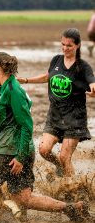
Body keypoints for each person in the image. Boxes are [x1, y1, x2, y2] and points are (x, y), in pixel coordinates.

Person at [0, 52, 90, 223]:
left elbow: (26, 125)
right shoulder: (8, 86)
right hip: (17, 149)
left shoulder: (13, 90)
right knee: (24, 198)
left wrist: (20, 157)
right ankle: (72, 208)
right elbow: (13, 117)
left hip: (9, 150)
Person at [18, 28, 95, 178]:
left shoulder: (83, 66)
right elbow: (48, 76)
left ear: (78, 46)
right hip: (54, 116)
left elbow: (92, 82)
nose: (65, 48)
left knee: (65, 157)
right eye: (63, 44)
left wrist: (93, 90)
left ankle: (72, 188)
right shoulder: (56, 60)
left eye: (69, 45)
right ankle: (59, 169)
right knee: (44, 150)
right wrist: (26, 80)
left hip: (74, 119)